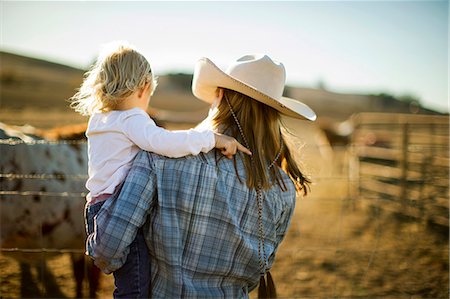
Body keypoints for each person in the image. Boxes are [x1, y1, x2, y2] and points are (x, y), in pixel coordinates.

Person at [89, 54, 317, 298]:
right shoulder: (284, 188)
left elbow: (107, 249)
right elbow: (259, 269)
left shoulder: (159, 159)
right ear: (273, 116)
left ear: (218, 97)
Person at [70, 42, 251, 298]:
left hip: (97, 207)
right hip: (119, 209)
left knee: (128, 280)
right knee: (135, 285)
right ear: (144, 87)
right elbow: (163, 143)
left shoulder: (100, 118)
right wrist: (212, 139)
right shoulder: (131, 118)